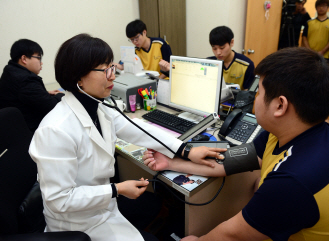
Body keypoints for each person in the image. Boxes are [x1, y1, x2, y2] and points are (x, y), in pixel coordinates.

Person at [29, 33, 225, 241]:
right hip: (76, 225)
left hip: (103, 208)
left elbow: (140, 129)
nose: (113, 76)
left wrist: (186, 150)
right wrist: (117, 189)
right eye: (105, 70)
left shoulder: (100, 108)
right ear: (78, 78)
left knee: (158, 207)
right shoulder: (55, 130)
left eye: (111, 67)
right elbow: (59, 200)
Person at [143, 47, 329, 240]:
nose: (254, 98)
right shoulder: (300, 132)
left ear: (280, 105)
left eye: (258, 91)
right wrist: (171, 164)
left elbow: (231, 235)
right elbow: (227, 162)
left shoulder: (292, 183)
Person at [0, 39, 64, 133]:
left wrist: (44, 93)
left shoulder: (10, 70)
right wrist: (62, 95)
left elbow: (23, 94)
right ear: (24, 59)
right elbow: (52, 106)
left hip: (12, 128)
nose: (41, 63)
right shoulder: (26, 80)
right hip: (29, 131)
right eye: (38, 58)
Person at [208, 26, 255, 90]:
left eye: (222, 48)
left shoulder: (247, 65)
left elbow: (248, 94)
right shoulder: (209, 63)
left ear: (232, 42)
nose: (218, 52)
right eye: (214, 48)